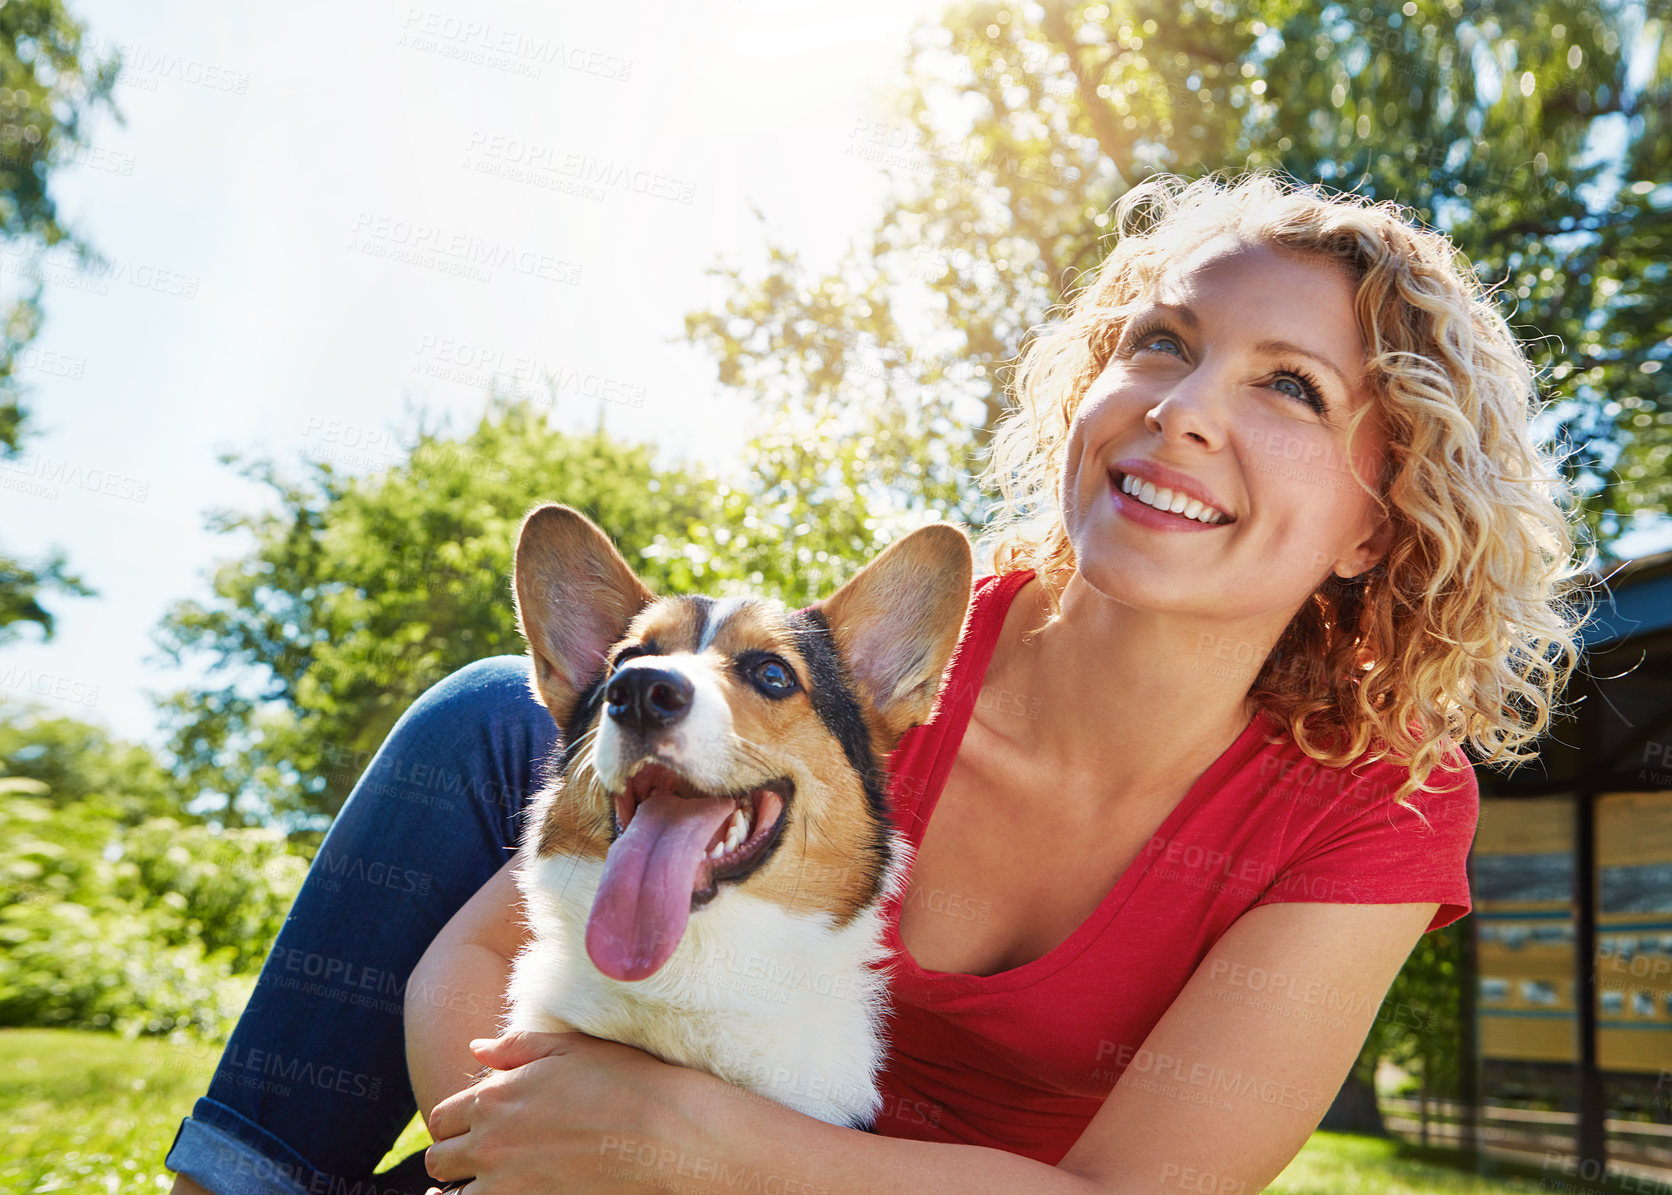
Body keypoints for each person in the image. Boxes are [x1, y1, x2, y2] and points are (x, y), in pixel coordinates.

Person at [167, 172, 1581, 1195]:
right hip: (645, 1122)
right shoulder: (882, 662)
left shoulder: (1374, 807)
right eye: (1161, 343)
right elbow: (479, 959)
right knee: (497, 713)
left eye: (1292, 390)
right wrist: (539, 1148)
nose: (1185, 408)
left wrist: (693, 1147)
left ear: (1376, 530)